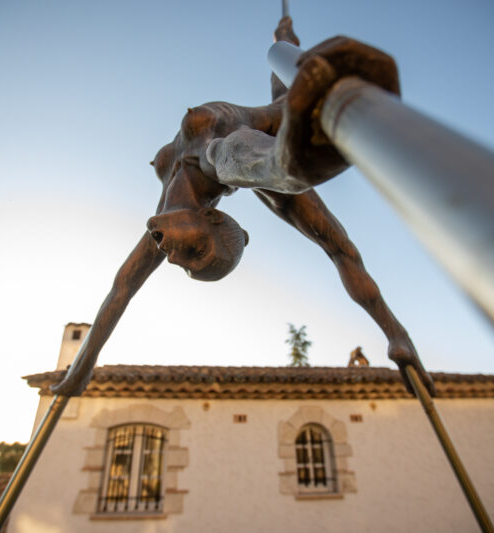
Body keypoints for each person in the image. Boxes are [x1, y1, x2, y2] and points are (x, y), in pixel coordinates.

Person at [52, 17, 434, 397]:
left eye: (184, 266)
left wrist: (81, 370)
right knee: (278, 179)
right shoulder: (214, 158)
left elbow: (121, 290)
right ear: (211, 217)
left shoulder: (167, 227)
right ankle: (289, 158)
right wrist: (395, 333)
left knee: (274, 138)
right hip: (275, 141)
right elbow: (234, 158)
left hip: (273, 134)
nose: (172, 258)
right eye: (196, 251)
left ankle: (284, 142)